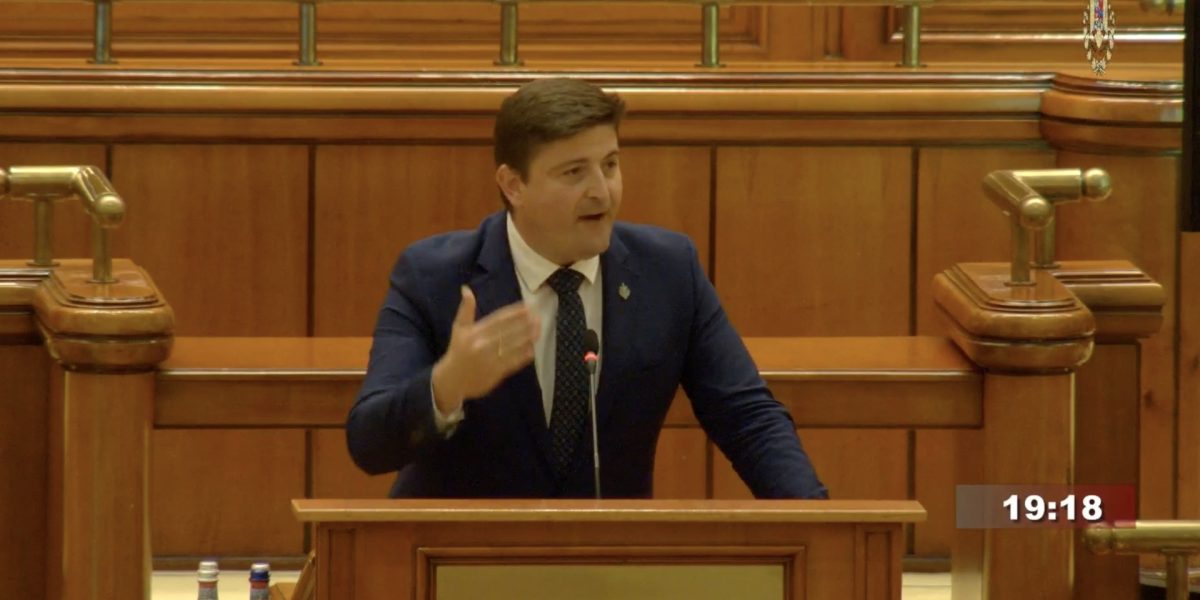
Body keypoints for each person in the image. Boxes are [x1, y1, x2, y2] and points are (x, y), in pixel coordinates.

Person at [346, 78, 827, 499]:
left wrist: (816, 523)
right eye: (574, 172)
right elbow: (368, 442)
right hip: (455, 555)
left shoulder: (668, 271)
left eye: (610, 165)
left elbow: (746, 416)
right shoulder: (435, 277)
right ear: (513, 185)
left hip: (610, 555)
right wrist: (447, 385)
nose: (602, 191)